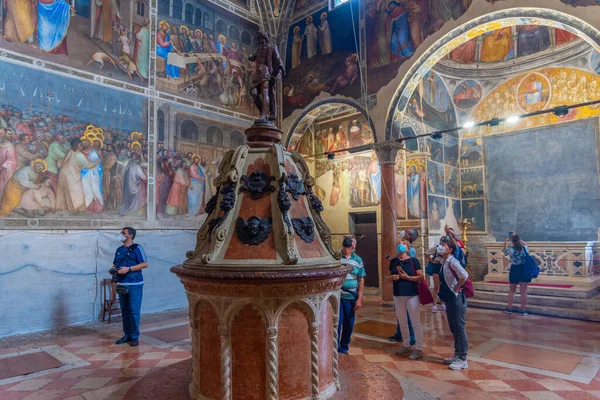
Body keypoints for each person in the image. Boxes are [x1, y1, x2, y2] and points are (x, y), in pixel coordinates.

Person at [387, 238, 424, 360]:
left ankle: (418, 348)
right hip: (398, 294)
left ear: (408, 248)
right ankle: (406, 344)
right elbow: (387, 277)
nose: (401, 246)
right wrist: (392, 277)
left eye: (403, 245)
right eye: (399, 244)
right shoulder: (394, 262)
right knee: (402, 321)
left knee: (415, 322)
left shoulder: (413, 261)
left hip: (412, 294)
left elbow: (421, 277)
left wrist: (408, 278)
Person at [111, 227, 148, 347]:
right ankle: (126, 335)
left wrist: (129, 269)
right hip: (122, 284)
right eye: (121, 232)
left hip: (134, 284)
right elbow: (115, 263)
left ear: (130, 236)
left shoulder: (137, 248)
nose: (121, 234)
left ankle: (134, 336)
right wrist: (113, 269)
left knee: (133, 311)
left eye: (124, 233)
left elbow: (145, 264)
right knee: (125, 311)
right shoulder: (119, 250)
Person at [437, 241, 469, 371]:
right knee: (453, 327)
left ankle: (463, 359)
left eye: (444, 245)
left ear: (450, 249)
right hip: (450, 298)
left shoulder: (452, 261)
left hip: (457, 298)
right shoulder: (443, 262)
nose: (441, 246)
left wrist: (456, 288)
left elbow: (464, 276)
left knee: (459, 328)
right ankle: (457, 354)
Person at [338, 236, 365, 354]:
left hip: (351, 296)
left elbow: (361, 279)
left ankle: (344, 346)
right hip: (339, 295)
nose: (350, 248)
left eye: (352, 245)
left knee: (349, 323)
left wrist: (359, 299)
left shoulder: (357, 259)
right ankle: (334, 346)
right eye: (348, 246)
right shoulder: (337, 257)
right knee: (337, 322)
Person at [503, 234, 530, 315]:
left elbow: (504, 251)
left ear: (512, 241)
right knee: (523, 292)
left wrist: (506, 241)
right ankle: (523, 310)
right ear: (519, 240)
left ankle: (509, 309)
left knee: (512, 291)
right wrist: (519, 239)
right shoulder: (524, 248)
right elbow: (525, 244)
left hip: (514, 269)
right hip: (523, 270)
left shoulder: (511, 250)